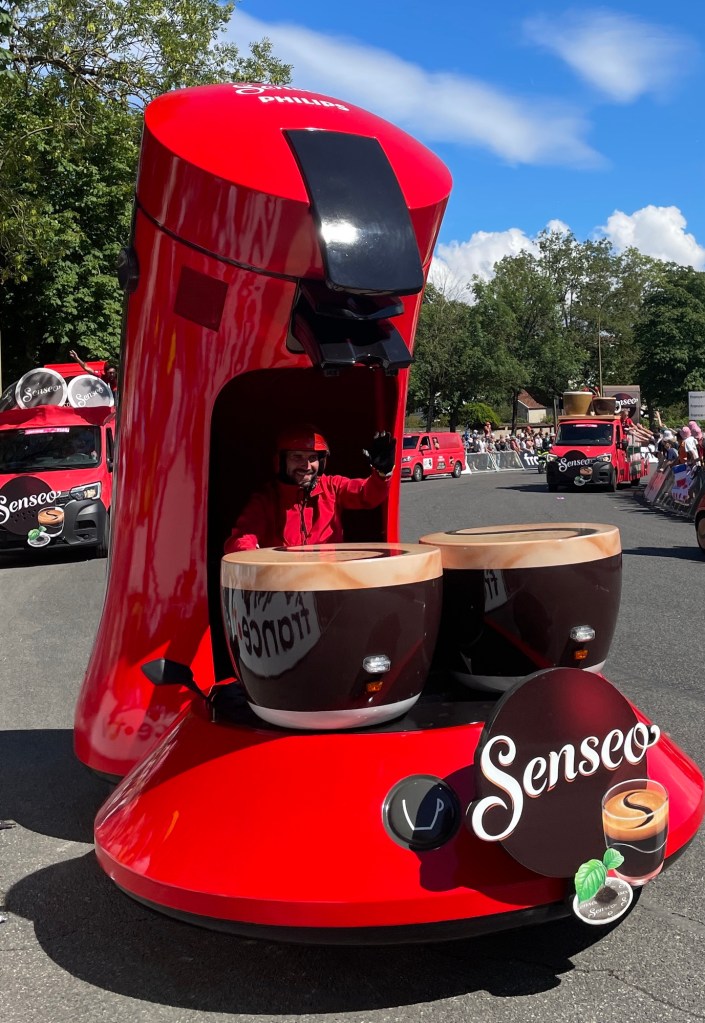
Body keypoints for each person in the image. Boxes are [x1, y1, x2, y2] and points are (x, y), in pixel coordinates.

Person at [224, 426, 396, 552]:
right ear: (281, 462)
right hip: (284, 585)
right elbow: (241, 538)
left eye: (312, 458)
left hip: (330, 581)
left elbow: (367, 495)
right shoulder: (266, 500)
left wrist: (382, 473)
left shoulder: (332, 486)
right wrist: (250, 554)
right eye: (297, 457)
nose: (306, 465)